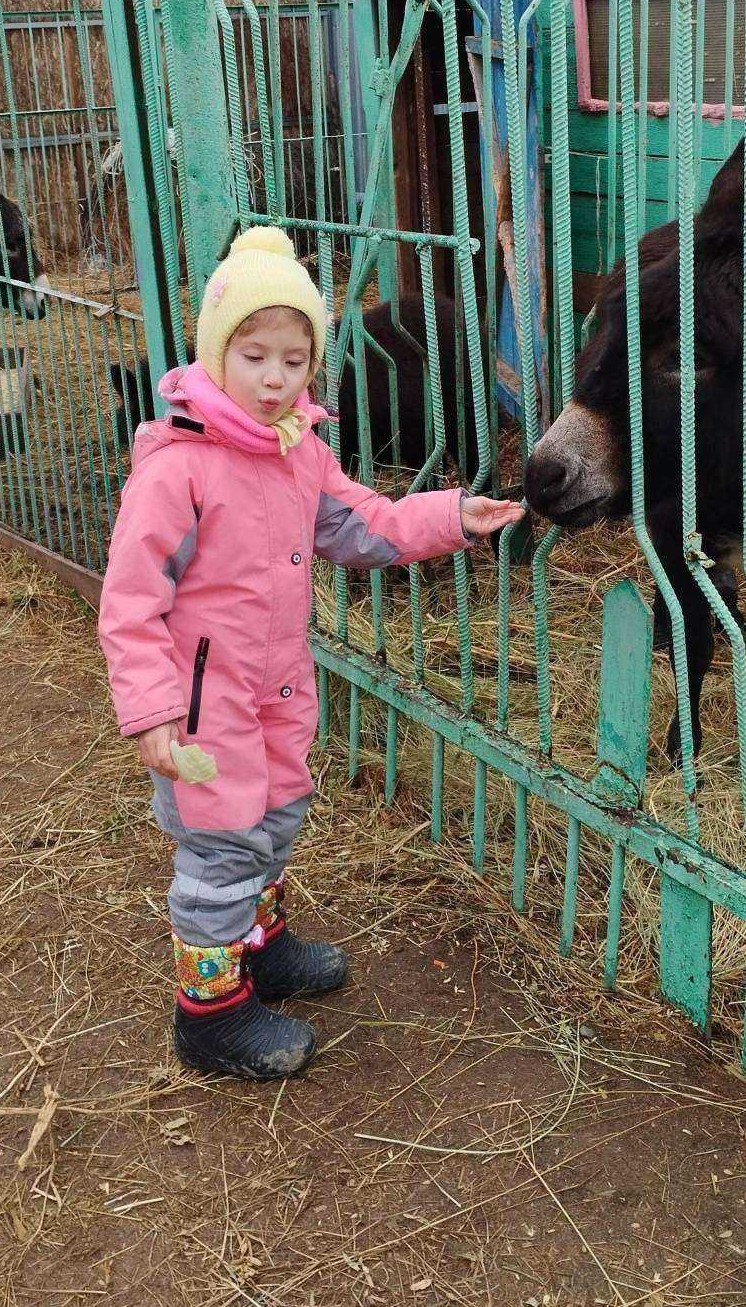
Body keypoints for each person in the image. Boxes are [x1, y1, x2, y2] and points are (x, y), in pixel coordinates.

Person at [98, 227, 522, 1081]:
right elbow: (131, 600)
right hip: (203, 704)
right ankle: (209, 1015)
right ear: (215, 352)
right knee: (222, 843)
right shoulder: (177, 470)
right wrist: (149, 709)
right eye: (254, 356)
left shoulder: (298, 450)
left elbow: (361, 523)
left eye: (294, 361)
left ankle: (259, 946)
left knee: (277, 813)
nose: (275, 379)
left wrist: (451, 516)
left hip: (278, 686)